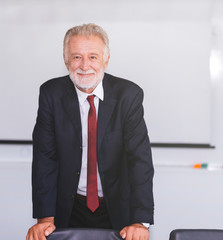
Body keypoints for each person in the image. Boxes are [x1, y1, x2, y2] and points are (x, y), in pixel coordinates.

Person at [26, 23, 154, 240]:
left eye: (93, 57)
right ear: (66, 61)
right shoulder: (51, 94)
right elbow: (45, 159)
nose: (85, 65)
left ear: (106, 60)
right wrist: (45, 218)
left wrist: (139, 221)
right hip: (67, 207)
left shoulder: (129, 96)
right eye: (76, 57)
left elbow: (139, 161)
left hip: (117, 208)